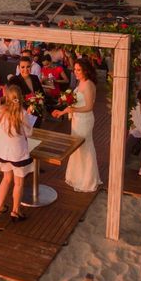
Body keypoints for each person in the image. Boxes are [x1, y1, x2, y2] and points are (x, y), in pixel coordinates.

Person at [52, 58, 101, 192]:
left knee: (85, 146)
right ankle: (77, 177)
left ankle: (88, 179)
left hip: (85, 120)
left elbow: (89, 106)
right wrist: (62, 111)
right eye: (75, 69)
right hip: (77, 120)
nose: (76, 72)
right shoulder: (80, 83)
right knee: (76, 148)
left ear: (86, 70)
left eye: (79, 70)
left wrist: (72, 110)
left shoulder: (89, 84)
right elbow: (74, 103)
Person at [0, 85, 35, 222]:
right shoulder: (22, 114)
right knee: (18, 183)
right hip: (18, 154)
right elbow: (29, 133)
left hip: (3, 152)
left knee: (6, 179)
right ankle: (15, 211)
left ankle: (0, 207)